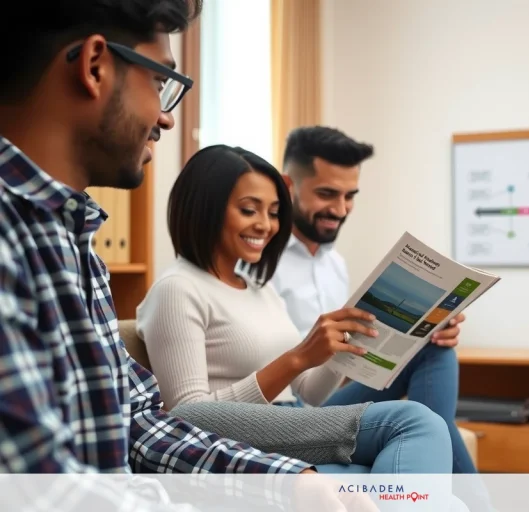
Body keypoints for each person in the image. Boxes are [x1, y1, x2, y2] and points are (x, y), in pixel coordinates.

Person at [0, 2, 378, 510]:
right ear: (95, 66)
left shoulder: (76, 246)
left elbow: (142, 421)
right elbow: (45, 491)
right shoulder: (14, 242)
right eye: (161, 82)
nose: (166, 117)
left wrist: (290, 481)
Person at [135, 143, 456, 478]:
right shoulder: (177, 289)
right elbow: (187, 417)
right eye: (249, 210)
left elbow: (311, 392)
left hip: (293, 417)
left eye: (274, 213)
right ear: (205, 209)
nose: (266, 225)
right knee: (413, 422)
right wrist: (296, 359)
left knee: (418, 458)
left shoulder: (259, 288)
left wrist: (343, 343)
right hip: (246, 437)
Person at [268, 126, 477, 475]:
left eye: (350, 196)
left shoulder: (335, 265)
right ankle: (476, 497)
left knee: (435, 346)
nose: (340, 209)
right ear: (288, 186)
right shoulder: (260, 263)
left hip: (328, 401)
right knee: (426, 423)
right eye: (327, 194)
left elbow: (343, 363)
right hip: (286, 416)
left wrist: (427, 326)